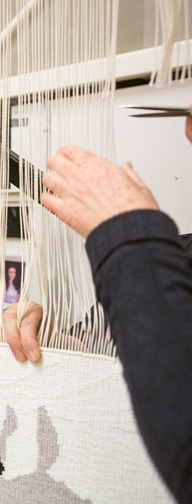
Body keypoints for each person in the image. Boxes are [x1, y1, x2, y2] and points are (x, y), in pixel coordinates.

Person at [37, 112, 192, 503]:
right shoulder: (178, 254)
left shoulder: (155, 253)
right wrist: (46, 337)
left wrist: (129, 234)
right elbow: (100, 351)